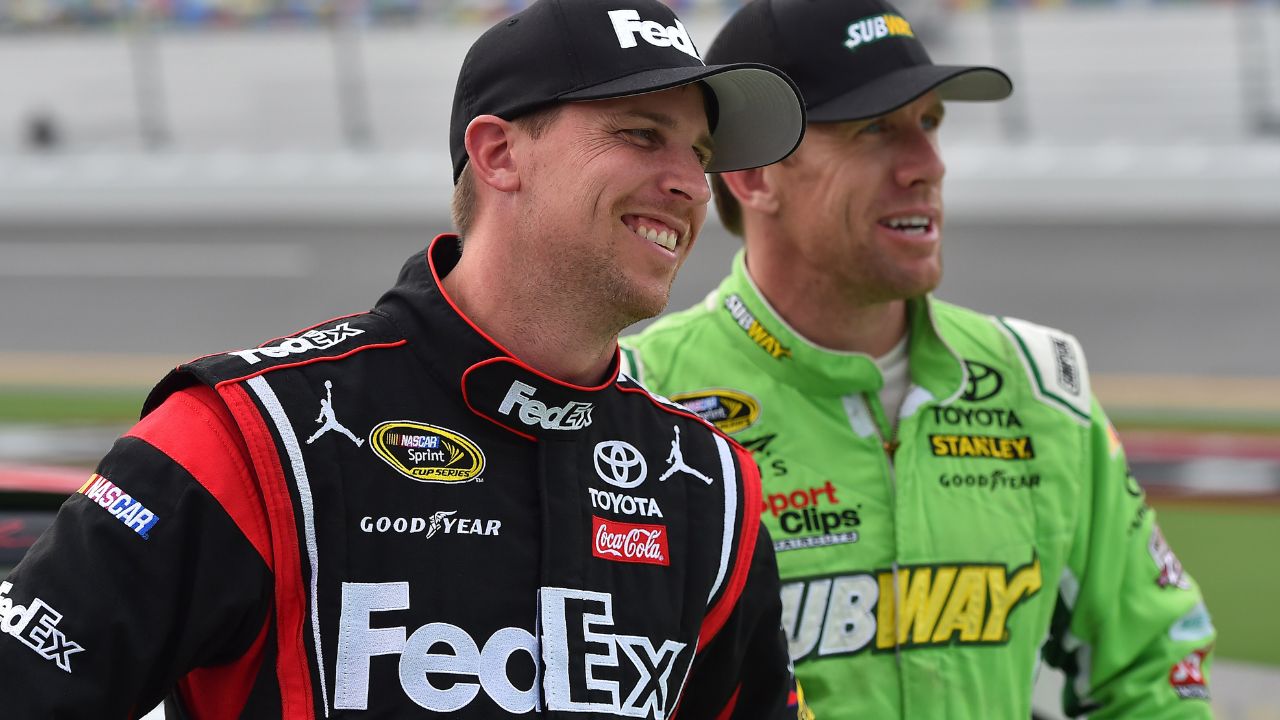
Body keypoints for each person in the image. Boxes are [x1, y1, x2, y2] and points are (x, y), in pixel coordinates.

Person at [0, 1, 812, 716]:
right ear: (497, 155)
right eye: (642, 135)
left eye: (701, 157)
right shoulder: (245, 436)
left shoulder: (707, 484)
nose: (692, 185)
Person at [621, 0, 1216, 717]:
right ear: (754, 177)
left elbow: (1156, 666)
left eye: (930, 124)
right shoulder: (643, 399)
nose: (927, 165)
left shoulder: (1038, 384)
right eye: (875, 129)